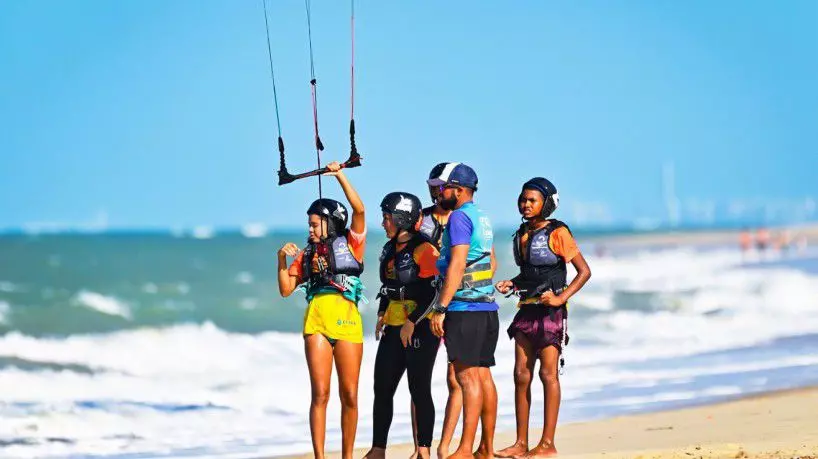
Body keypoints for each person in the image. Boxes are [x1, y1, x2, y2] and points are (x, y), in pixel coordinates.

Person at [495, 178, 591, 458]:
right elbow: (529, 275)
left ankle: (547, 444)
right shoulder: (522, 233)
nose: (525, 204)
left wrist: (561, 298)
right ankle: (520, 443)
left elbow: (584, 271)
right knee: (520, 375)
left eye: (532, 200)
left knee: (547, 374)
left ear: (546, 204)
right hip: (526, 310)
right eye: (523, 199)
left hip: (551, 314)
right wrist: (511, 284)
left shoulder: (558, 232)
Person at [277, 161, 366, 459]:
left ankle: (347, 456)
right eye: (309, 225)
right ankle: (320, 457)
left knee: (350, 395)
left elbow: (359, 210)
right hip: (317, 323)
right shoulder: (306, 254)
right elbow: (286, 289)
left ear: (331, 223)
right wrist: (281, 261)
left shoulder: (351, 244)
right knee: (321, 394)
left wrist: (339, 175)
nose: (310, 230)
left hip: (348, 324)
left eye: (315, 224)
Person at [427, 163, 499, 459]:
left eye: (441, 188)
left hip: (464, 309)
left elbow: (457, 264)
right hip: (486, 307)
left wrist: (441, 307)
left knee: (467, 379)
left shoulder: (458, 217)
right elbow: (491, 263)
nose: (437, 194)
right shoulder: (482, 217)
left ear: (458, 189)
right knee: (482, 378)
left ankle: (465, 450)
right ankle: (486, 449)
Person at [363, 192, 441, 459]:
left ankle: (424, 450)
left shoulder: (425, 249)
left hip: (419, 326)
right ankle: (378, 449)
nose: (383, 223)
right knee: (382, 388)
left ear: (401, 219)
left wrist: (411, 322)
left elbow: (434, 293)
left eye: (387, 218)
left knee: (419, 388)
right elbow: (389, 285)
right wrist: (382, 312)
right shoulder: (389, 248)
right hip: (393, 326)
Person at [420, 163, 462, 459]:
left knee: (455, 378)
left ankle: (445, 446)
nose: (435, 191)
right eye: (431, 186)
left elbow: (489, 258)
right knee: (419, 377)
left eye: (440, 186)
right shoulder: (419, 219)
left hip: (456, 303)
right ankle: (420, 447)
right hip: (422, 305)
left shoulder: (465, 219)